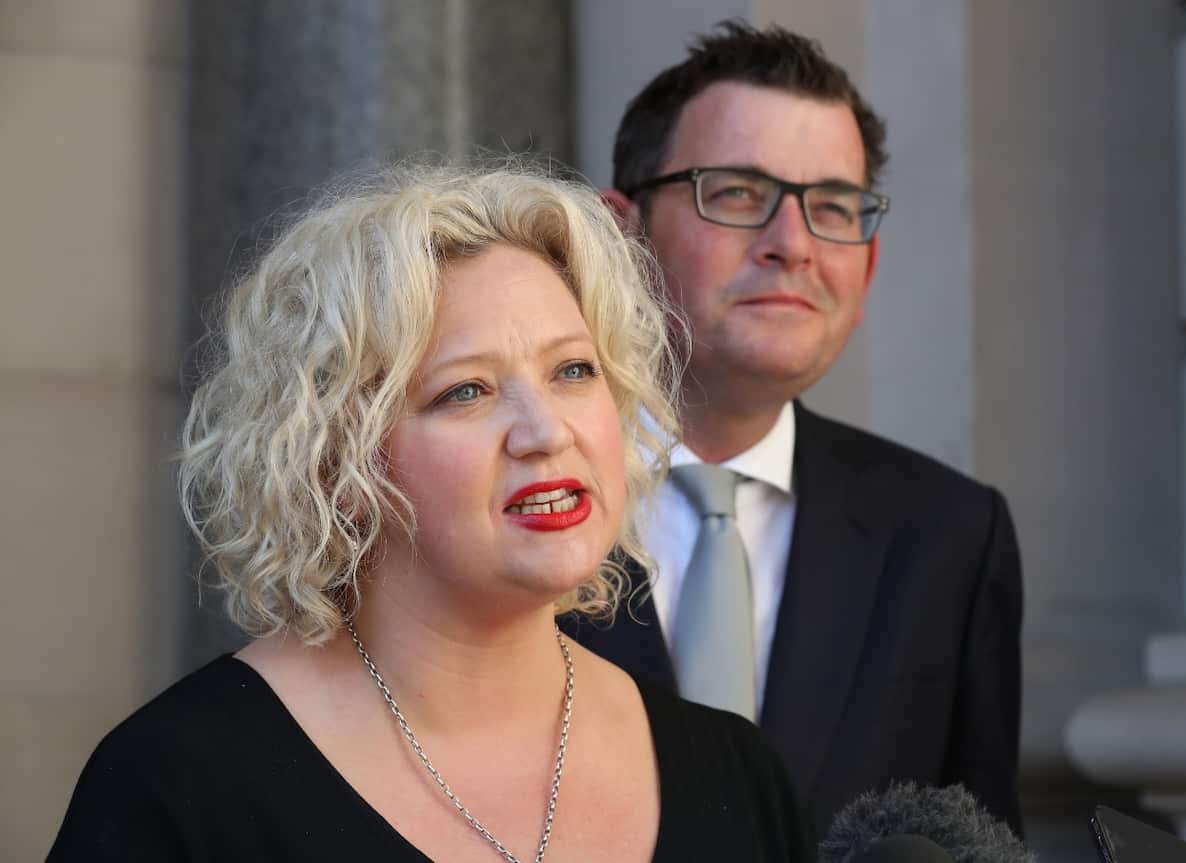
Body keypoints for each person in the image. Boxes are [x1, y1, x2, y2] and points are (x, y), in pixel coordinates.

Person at [48, 164, 810, 862]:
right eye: (466, 390)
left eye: (574, 370)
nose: (547, 431)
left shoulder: (736, 774)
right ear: (338, 463)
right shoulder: (174, 787)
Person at [564, 21, 1025, 839]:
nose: (794, 244)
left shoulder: (949, 534)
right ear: (619, 236)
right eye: (738, 193)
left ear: (867, 268)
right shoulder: (503, 496)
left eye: (834, 207)